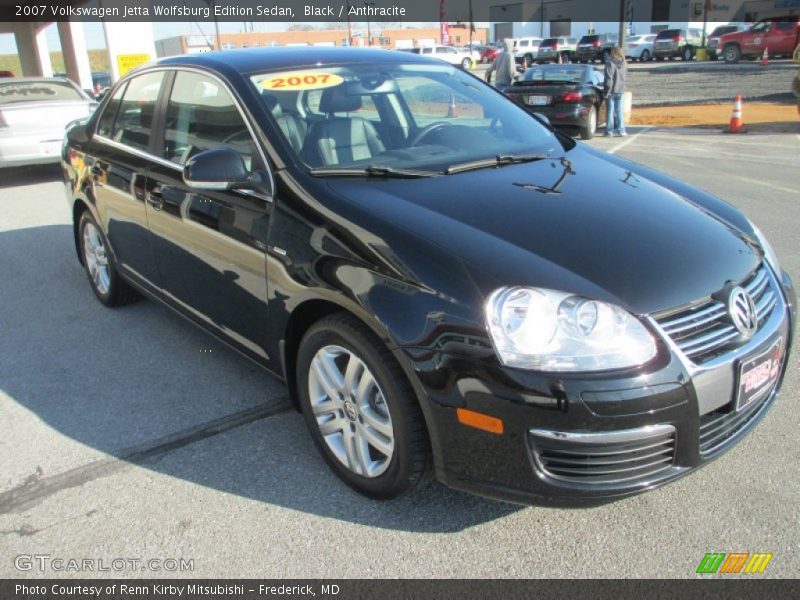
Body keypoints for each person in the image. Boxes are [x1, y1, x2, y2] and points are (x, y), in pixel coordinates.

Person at [603, 46, 628, 137]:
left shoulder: (610, 63)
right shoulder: (624, 63)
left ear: (613, 52)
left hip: (612, 90)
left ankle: (609, 131)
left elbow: (609, 79)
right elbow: (624, 78)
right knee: (619, 110)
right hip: (620, 89)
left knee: (610, 111)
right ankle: (621, 130)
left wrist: (607, 92)